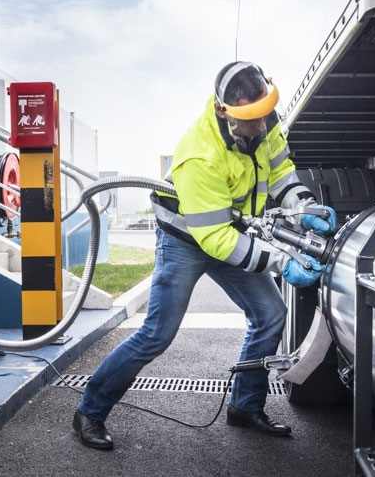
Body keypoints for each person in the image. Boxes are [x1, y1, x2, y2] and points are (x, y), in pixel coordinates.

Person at [73, 61, 338, 450]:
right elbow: (214, 239)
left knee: (270, 314)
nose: (262, 127)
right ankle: (89, 412)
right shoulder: (199, 155)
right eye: (252, 120)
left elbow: (281, 170)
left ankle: (245, 407)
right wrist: (282, 262)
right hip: (186, 240)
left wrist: (304, 205)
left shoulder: (263, 119)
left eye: (265, 116)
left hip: (228, 230)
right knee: (155, 336)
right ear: (224, 113)